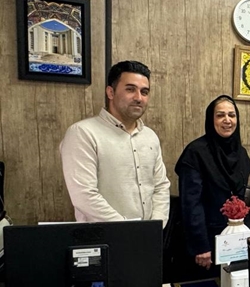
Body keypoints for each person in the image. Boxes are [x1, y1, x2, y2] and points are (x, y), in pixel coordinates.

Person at [60, 60, 170, 226]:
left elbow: (160, 186)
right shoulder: (83, 133)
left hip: (148, 236)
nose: (139, 98)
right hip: (104, 236)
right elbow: (84, 195)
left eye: (144, 92)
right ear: (110, 92)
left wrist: (155, 226)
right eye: (130, 89)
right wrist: (126, 230)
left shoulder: (150, 136)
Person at [175, 95, 250, 271]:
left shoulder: (240, 153)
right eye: (220, 115)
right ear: (211, 120)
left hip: (237, 238)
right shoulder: (196, 152)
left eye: (232, 115)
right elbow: (191, 203)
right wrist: (201, 245)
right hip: (207, 240)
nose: (227, 120)